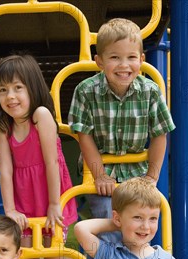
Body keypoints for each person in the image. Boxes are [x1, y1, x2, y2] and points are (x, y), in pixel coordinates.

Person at [0, 54, 78, 259]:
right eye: (3, 90)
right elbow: (5, 169)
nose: (10, 96)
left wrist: (55, 203)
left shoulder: (40, 115)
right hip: (25, 203)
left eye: (17, 88)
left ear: (32, 88)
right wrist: (11, 208)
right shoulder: (4, 125)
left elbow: (52, 162)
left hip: (50, 196)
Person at [68, 18, 175, 225]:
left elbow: (160, 135)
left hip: (137, 173)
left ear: (141, 59)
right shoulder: (86, 91)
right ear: (100, 61)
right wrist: (99, 175)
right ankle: (110, 257)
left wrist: (152, 178)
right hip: (100, 170)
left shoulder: (150, 92)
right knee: (109, 219)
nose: (124, 65)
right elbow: (85, 136)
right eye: (115, 57)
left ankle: (137, 256)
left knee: (139, 223)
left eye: (131, 57)